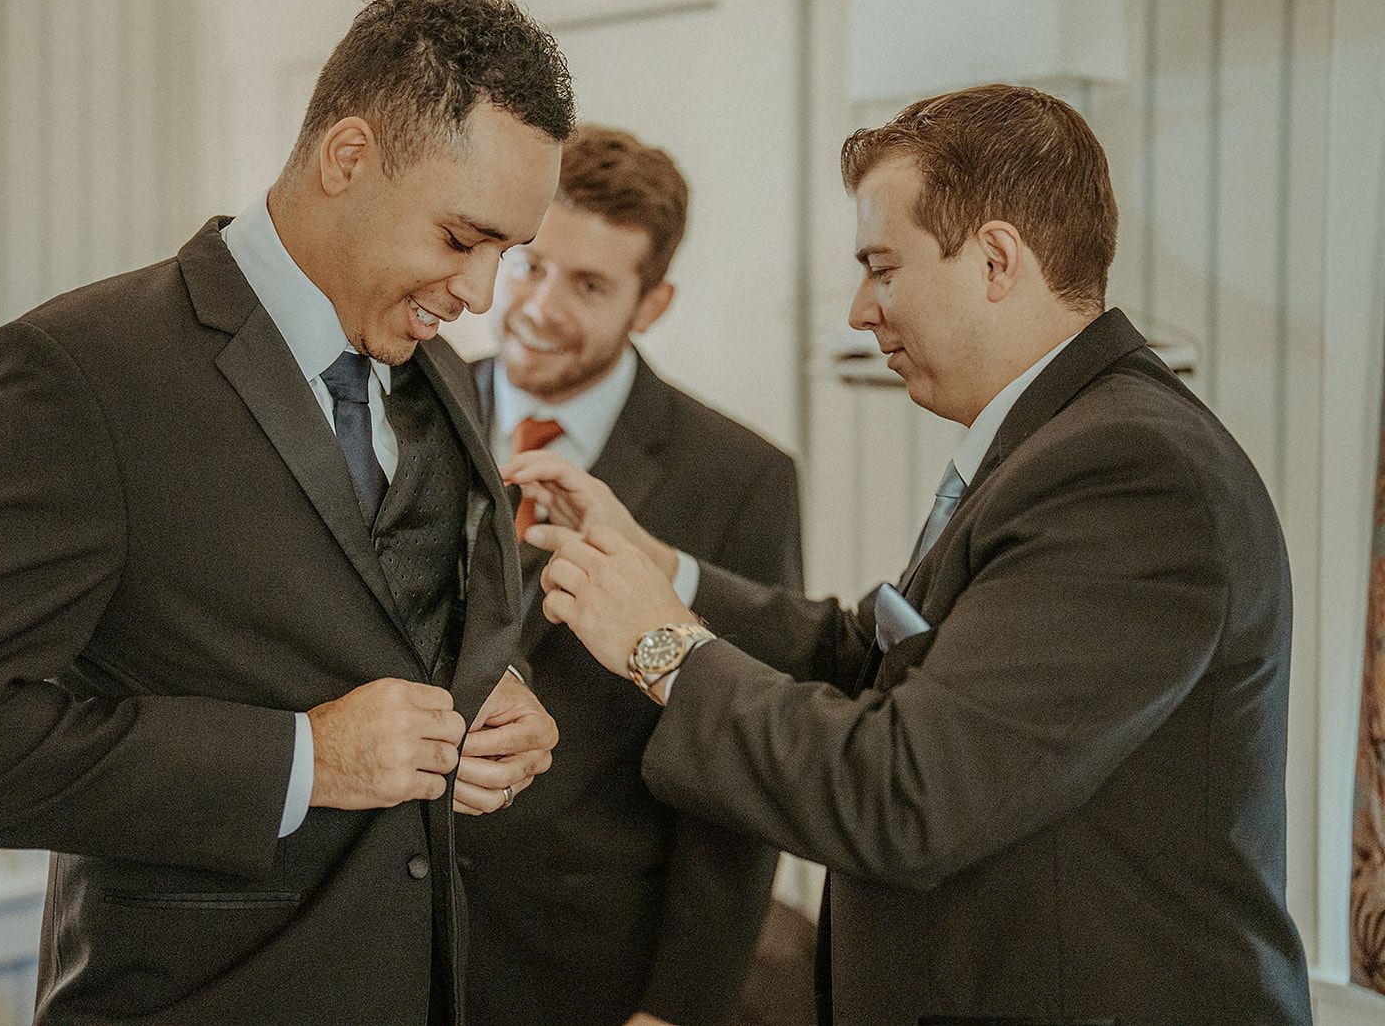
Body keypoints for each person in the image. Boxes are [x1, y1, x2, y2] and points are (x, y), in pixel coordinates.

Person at [0, 0, 572, 1024]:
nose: (481, 294)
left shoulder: (438, 371)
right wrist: (301, 760)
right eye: (462, 239)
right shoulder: (80, 371)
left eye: (509, 251)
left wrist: (499, 698)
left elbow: (407, 620)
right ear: (348, 157)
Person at [509, 84, 1313, 1024]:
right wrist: (662, 567)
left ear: (997, 259)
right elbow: (870, 654)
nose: (860, 310)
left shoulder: (1132, 472)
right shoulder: (1057, 439)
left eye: (882, 268)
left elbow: (905, 792)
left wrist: (662, 647)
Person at [456, 125, 801, 1026]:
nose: (538, 305)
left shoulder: (740, 478)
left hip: (592, 966)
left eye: (589, 285)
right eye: (530, 264)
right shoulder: (411, 404)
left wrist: (681, 1006)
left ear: (652, 304)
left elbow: (735, 766)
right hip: (390, 945)